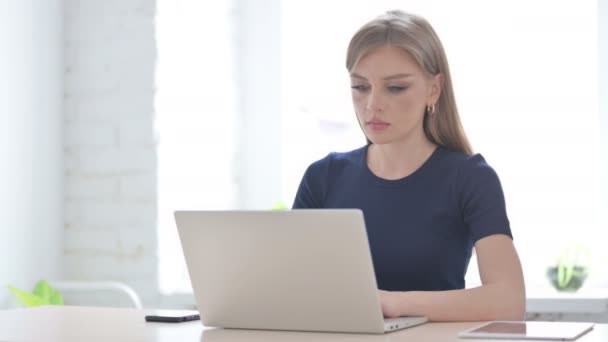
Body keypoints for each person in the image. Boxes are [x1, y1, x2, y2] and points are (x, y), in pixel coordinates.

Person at [292, 10, 525, 321]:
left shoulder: (470, 178)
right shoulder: (323, 177)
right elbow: (289, 288)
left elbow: (508, 301)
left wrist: (391, 304)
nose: (373, 104)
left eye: (395, 87)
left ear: (434, 89)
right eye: (360, 87)